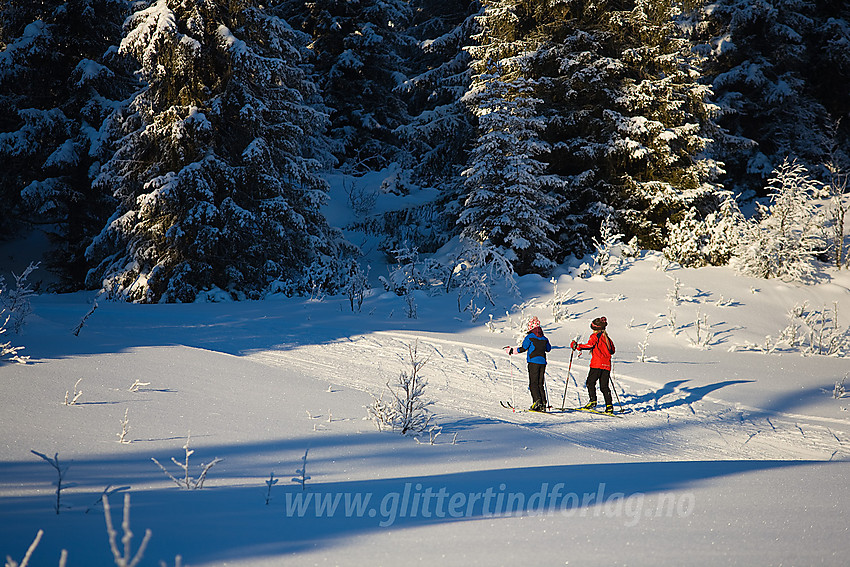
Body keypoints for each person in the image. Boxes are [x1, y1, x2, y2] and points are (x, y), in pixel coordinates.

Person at [506, 316, 552, 412]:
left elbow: (523, 348)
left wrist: (512, 351)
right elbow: (548, 349)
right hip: (543, 363)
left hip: (533, 362)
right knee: (540, 383)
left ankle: (537, 402)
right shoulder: (544, 338)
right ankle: (543, 403)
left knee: (533, 384)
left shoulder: (530, 337)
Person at [571, 316, 616, 414]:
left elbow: (589, 345)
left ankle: (593, 401)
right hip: (607, 365)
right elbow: (612, 350)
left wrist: (577, 346)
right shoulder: (607, 338)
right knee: (604, 386)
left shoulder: (595, 336)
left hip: (597, 364)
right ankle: (609, 406)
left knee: (590, 383)